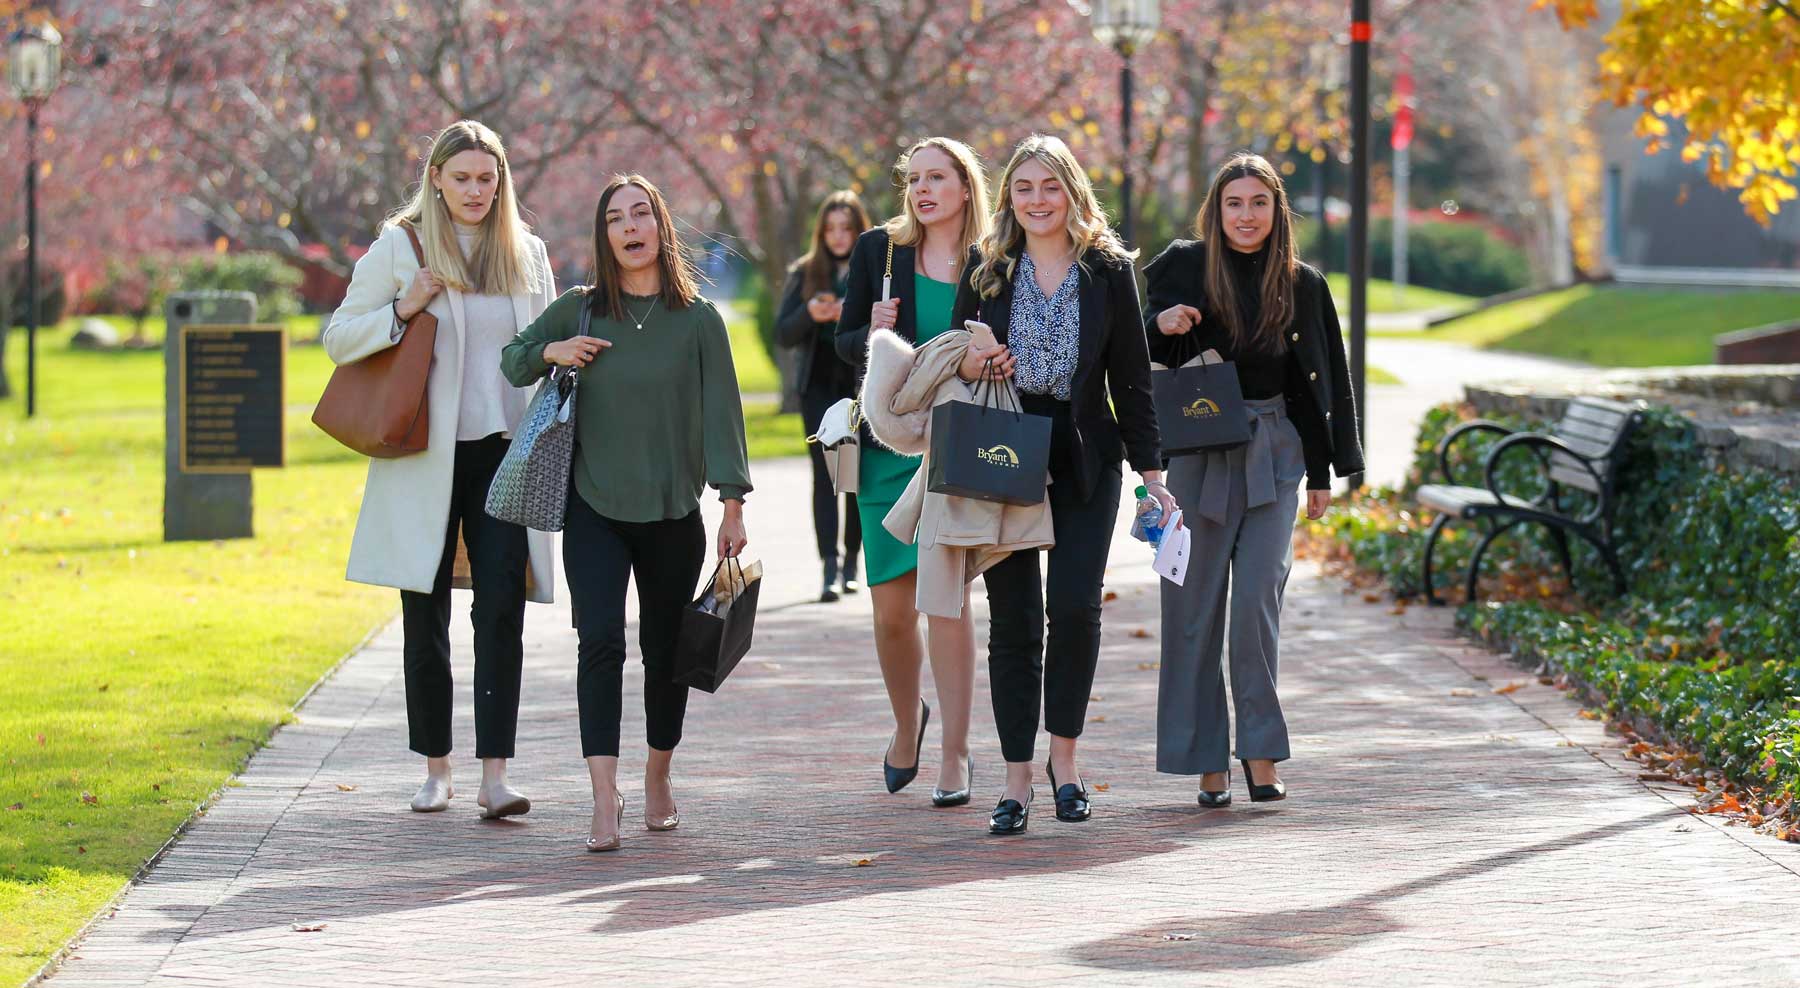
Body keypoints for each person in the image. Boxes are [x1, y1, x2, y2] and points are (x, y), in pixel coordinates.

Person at [500, 174, 752, 852]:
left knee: (666, 653)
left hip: (673, 512)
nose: (631, 226)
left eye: (642, 213)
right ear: (604, 235)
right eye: (617, 218)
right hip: (594, 508)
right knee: (600, 641)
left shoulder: (698, 320)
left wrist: (731, 506)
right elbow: (513, 359)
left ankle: (659, 775)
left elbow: (725, 417)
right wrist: (552, 352)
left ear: (661, 227)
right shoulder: (581, 311)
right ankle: (602, 795)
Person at [323, 120, 556, 819]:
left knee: (501, 611)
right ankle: (436, 769)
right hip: (424, 454)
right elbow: (338, 337)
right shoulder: (401, 246)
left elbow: (541, 356)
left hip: (504, 454)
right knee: (425, 614)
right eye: (463, 178)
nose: (477, 191)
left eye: (488, 178)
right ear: (436, 180)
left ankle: (495, 776)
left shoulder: (527, 252)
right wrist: (402, 306)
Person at [951, 134, 1172, 834]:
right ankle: (1016, 779)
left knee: (1075, 608)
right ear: (1009, 198)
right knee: (1013, 620)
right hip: (1003, 454)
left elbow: (1132, 381)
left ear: (1073, 192)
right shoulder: (987, 270)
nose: (1037, 201)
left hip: (1084, 457)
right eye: (1024, 188)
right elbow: (949, 363)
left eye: (1050, 187)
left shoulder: (1107, 272)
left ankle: (1065, 762)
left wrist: (1153, 474)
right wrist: (975, 362)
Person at [1143, 152, 1363, 807]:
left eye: (1259, 203)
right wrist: (1163, 324)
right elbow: (1137, 349)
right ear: (1217, 210)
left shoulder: (1303, 283)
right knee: (1192, 611)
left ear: (1277, 211)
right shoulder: (1181, 264)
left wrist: (1325, 468)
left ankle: (1260, 752)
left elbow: (1321, 381)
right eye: (1234, 204)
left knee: (1257, 608)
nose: (1246, 216)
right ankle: (1206, 760)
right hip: (1199, 453)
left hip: (1275, 452)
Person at [835, 137, 991, 807]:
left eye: (938, 177)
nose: (923, 189)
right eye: (915, 179)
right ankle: (909, 725)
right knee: (892, 615)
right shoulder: (882, 253)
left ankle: (956, 755)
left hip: (954, 450)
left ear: (965, 187)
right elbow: (847, 344)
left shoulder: (993, 258)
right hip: (887, 452)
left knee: (947, 605)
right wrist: (869, 325)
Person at [777, 190, 870, 603]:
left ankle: (852, 561)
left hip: (860, 388)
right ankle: (828, 567)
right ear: (821, 232)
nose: (838, 236)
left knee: (855, 476)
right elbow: (782, 332)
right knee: (826, 476)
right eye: (830, 228)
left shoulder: (872, 270)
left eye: (846, 227)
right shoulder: (805, 272)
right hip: (818, 389)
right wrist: (810, 313)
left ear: (858, 229)